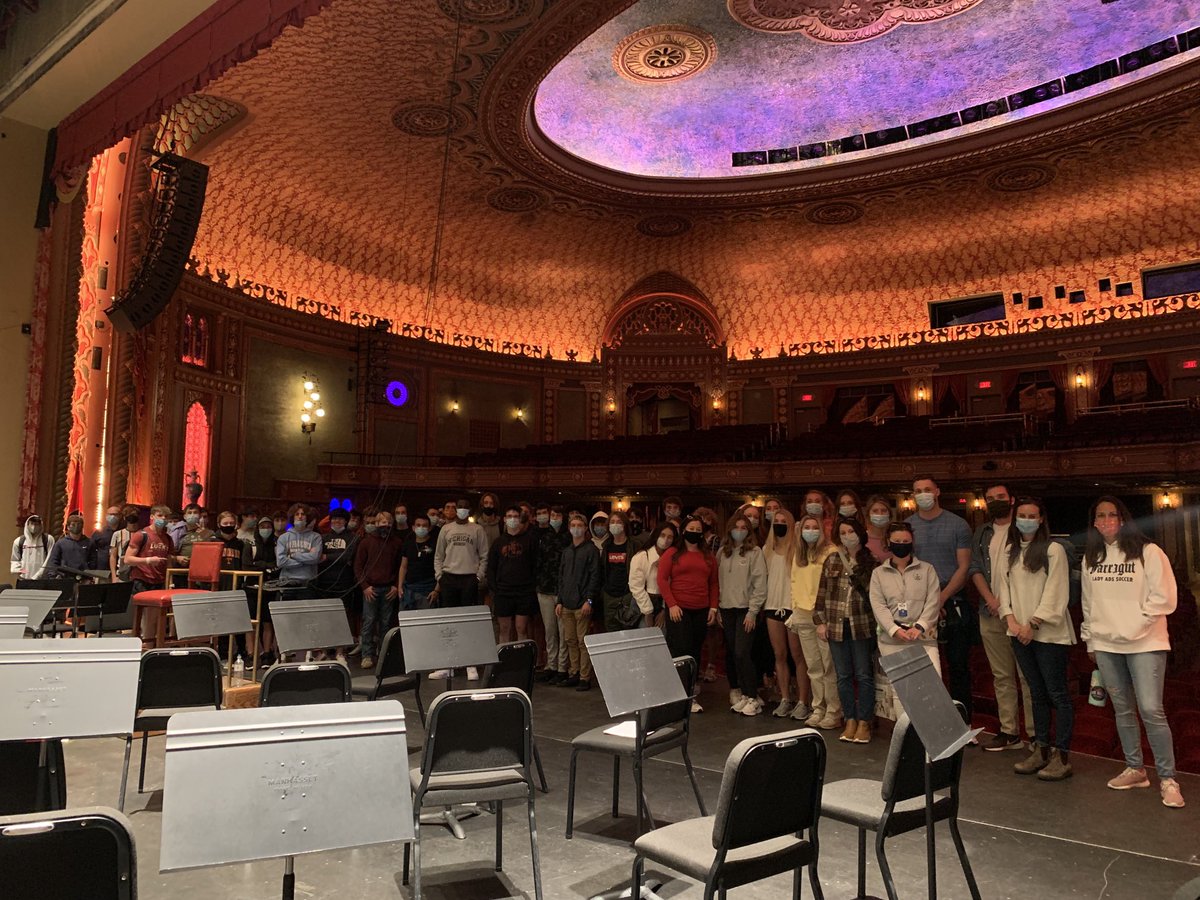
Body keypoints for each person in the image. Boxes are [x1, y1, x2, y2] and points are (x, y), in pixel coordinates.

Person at [1081, 495, 1183, 809]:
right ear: (1094, 522)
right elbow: (1088, 603)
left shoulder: (1149, 552)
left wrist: (1133, 627)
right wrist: (1091, 640)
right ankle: (1136, 769)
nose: (1106, 520)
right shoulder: (1092, 557)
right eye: (1100, 516)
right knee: (1123, 710)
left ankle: (1168, 779)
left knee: (1151, 710)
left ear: (1123, 519)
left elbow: (1165, 598)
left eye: (1112, 514)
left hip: (1145, 644)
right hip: (1107, 645)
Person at [998, 498, 1075, 781]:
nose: (1026, 520)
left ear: (1041, 519)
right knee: (1036, 693)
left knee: (1057, 694)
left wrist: (1033, 623)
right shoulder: (1011, 550)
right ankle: (1041, 749)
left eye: (1032, 516)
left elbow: (1057, 590)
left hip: (1048, 634)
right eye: (1022, 515)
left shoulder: (1053, 549)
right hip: (1018, 632)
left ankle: (1061, 756)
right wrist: (1011, 620)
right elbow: (1003, 588)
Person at [969, 483, 1036, 752]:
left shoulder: (1022, 529)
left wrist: (1008, 606)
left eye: (1000, 497)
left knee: (1027, 676)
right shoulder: (982, 532)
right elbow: (975, 567)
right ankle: (1009, 732)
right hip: (990, 611)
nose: (995, 501)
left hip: (1020, 613)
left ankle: (1035, 734)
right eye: (990, 498)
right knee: (1001, 676)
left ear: (1011, 499)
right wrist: (990, 599)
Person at [906, 475, 975, 720]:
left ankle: (962, 721)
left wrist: (941, 599)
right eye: (917, 491)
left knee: (958, 665)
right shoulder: (907, 526)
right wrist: (927, 603)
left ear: (937, 491)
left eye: (927, 489)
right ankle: (929, 720)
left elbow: (964, 567)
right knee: (923, 666)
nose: (922, 494)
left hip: (952, 598)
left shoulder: (958, 524)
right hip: (918, 602)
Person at [815, 518, 881, 744]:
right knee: (843, 675)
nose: (847, 536)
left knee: (863, 674)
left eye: (851, 531)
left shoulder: (871, 561)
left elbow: (876, 596)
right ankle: (849, 719)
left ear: (860, 533)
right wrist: (820, 621)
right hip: (835, 623)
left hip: (862, 624)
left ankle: (864, 721)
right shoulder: (832, 559)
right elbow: (822, 593)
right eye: (842, 533)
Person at [658, 516, 719, 712]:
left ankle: (690, 694)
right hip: (678, 609)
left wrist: (713, 607)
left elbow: (713, 583)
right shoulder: (672, 553)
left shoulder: (708, 556)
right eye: (691, 529)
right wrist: (672, 605)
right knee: (680, 651)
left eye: (698, 529)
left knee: (695, 652)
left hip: (701, 609)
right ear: (683, 531)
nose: (694, 532)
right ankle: (677, 694)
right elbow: (662, 580)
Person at [790, 513, 841, 730]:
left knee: (829, 666)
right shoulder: (799, 553)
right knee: (813, 666)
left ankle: (834, 711)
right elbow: (794, 582)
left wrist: (825, 619)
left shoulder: (831, 552)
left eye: (814, 527)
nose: (810, 531)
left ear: (821, 530)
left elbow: (833, 588)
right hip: (802, 614)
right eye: (806, 527)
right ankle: (818, 708)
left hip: (823, 615)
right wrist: (794, 610)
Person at [870, 523, 941, 673]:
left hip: (924, 637)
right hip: (892, 640)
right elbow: (878, 606)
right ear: (889, 542)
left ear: (912, 543)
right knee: (902, 687)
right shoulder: (878, 573)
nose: (901, 545)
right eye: (897, 541)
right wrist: (894, 629)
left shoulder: (927, 569)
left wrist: (920, 626)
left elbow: (933, 601)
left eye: (905, 541)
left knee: (931, 684)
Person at [717, 514, 766, 715]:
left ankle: (753, 696)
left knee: (742, 652)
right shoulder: (722, 552)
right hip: (726, 609)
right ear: (729, 529)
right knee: (734, 653)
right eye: (736, 527)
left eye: (743, 527)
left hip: (745, 609)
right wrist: (718, 607)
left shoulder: (755, 552)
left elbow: (760, 583)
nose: (739, 530)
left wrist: (753, 611)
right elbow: (717, 581)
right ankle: (745, 694)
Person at [353, 510, 404, 669]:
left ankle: (383, 655)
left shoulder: (397, 542)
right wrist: (365, 587)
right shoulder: (366, 542)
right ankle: (367, 655)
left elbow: (400, 566)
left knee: (386, 623)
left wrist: (395, 585)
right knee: (368, 622)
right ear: (376, 523)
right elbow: (358, 567)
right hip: (371, 589)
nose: (385, 525)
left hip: (388, 588)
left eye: (388, 522)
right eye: (382, 522)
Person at [556, 512, 601, 691]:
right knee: (570, 640)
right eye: (573, 525)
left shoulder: (591, 550)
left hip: (582, 603)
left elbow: (595, 577)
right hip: (566, 603)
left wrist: (589, 600)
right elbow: (561, 577)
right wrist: (559, 600)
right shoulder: (567, 551)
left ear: (585, 528)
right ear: (569, 528)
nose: (576, 529)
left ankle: (584, 676)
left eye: (579, 525)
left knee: (583, 642)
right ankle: (573, 672)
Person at [124, 505, 179, 645]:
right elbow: (128, 559)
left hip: (159, 581)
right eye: (160, 516)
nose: (163, 519)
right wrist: (148, 560)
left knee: (156, 619)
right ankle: (145, 648)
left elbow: (169, 561)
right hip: (142, 579)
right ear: (152, 517)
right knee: (146, 618)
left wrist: (170, 582)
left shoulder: (167, 538)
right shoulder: (141, 535)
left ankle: (152, 647)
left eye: (166, 517)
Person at [487, 505, 539, 643]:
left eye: (515, 516)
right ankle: (504, 656)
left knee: (521, 628)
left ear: (520, 519)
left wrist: (531, 587)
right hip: (503, 592)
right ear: (504, 519)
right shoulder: (498, 542)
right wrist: (495, 589)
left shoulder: (530, 540)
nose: (513, 519)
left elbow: (535, 565)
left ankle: (521, 655)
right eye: (510, 516)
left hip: (524, 592)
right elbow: (491, 567)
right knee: (504, 629)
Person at [432, 497, 489, 609]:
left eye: (465, 507)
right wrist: (439, 577)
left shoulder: (478, 529)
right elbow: (439, 555)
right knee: (449, 613)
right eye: (460, 507)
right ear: (456, 509)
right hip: (448, 577)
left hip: (470, 578)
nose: (462, 509)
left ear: (469, 510)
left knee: (467, 613)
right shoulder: (446, 529)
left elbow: (484, 556)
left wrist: (479, 576)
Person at [318, 507, 361, 651]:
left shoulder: (353, 538)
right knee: (326, 616)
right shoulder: (323, 538)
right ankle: (326, 648)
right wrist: (335, 557)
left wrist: (327, 557)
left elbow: (348, 556)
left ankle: (340, 650)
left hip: (345, 582)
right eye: (334, 518)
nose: (337, 521)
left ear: (346, 521)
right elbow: (318, 557)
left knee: (343, 616)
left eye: (340, 519)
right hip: (325, 582)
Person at [534, 504, 568, 682]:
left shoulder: (568, 537)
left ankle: (563, 667)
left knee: (563, 632)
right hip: (545, 589)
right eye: (552, 515)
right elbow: (537, 562)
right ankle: (551, 665)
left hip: (562, 591)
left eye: (558, 515)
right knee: (550, 631)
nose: (554, 518)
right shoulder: (543, 536)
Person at [630, 523, 677, 630]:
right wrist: (648, 612)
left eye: (670, 537)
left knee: (663, 634)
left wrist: (664, 610)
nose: (665, 540)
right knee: (646, 634)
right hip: (643, 602)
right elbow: (636, 586)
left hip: (665, 603)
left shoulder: (674, 558)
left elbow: (673, 585)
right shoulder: (641, 556)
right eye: (662, 535)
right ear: (656, 535)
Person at [599, 510, 637, 633]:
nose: (615, 524)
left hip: (627, 595)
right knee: (611, 631)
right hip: (609, 595)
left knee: (629, 631)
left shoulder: (634, 545)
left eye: (619, 522)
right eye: (612, 522)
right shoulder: (606, 546)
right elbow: (603, 570)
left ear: (625, 525)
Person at [398, 513, 437, 613]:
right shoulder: (408, 543)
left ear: (429, 528)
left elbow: (440, 567)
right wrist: (400, 586)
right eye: (418, 525)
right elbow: (403, 566)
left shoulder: (435, 544)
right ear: (413, 527)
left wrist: (436, 590)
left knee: (426, 619)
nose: (421, 528)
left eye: (424, 525)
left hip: (428, 588)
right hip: (409, 588)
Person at [11, 514, 52, 579]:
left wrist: (38, 575)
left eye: (36, 524)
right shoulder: (19, 541)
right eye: (32, 524)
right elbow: (15, 560)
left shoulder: (47, 539)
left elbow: (49, 559)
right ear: (27, 525)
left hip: (42, 579)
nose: (34, 527)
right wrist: (20, 571)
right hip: (24, 579)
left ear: (40, 526)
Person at [110, 508, 141, 581]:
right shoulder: (117, 534)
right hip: (122, 572)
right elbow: (113, 556)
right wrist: (114, 576)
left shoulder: (143, 534)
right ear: (125, 518)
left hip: (139, 573)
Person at [89, 505, 122, 571]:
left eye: (115, 514)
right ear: (106, 515)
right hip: (101, 568)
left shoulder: (123, 531)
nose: (112, 516)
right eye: (110, 514)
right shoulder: (99, 532)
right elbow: (91, 549)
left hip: (119, 567)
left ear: (120, 516)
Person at [864, 495, 893, 562]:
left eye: (884, 510)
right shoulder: (862, 539)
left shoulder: (896, 538)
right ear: (868, 515)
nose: (880, 514)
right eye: (875, 511)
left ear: (889, 515)